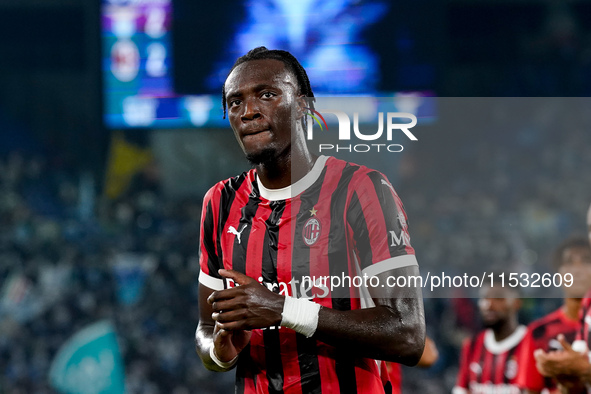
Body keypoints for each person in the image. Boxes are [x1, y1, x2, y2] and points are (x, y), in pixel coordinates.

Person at [194, 47, 426, 393]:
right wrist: (218, 352)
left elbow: (407, 334)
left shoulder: (361, 190)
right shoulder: (219, 203)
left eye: (267, 95)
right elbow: (205, 327)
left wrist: (283, 309)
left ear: (303, 104)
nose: (248, 112)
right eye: (235, 102)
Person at [516, 238, 591, 394]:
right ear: (558, 276)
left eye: (586, 261)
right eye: (569, 263)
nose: (577, 270)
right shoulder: (538, 333)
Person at [534, 204, 591, 393]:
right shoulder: (588, 305)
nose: (577, 270)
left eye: (584, 262)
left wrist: (585, 371)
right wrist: (567, 379)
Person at [453, 278, 526, 394]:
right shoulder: (471, 346)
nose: (489, 305)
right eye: (484, 298)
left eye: (498, 298)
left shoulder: (533, 344)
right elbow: (461, 390)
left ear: (517, 303)